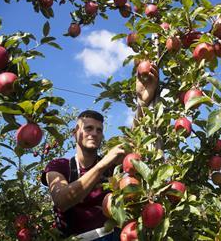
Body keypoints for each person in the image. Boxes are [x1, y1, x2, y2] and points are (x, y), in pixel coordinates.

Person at [41, 64, 159, 240]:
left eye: (99, 130)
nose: (94, 133)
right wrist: (104, 163)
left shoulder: (111, 166)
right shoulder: (60, 165)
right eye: (89, 128)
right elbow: (62, 200)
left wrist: (143, 100)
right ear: (76, 132)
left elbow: (133, 139)